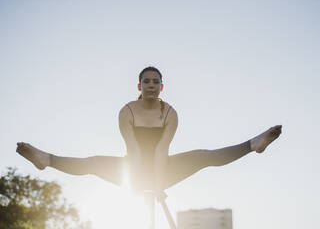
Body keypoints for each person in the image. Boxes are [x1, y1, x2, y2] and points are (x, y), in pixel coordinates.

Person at [16, 66, 282, 194]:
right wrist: (139, 183)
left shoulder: (169, 113)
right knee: (93, 163)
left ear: (162, 87)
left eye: (156, 82)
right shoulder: (127, 111)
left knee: (203, 156)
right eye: (147, 81)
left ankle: (252, 144)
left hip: (164, 167)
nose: (151, 85)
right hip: (131, 169)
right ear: (139, 86)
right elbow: (132, 150)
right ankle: (46, 159)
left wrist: (157, 183)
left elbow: (162, 150)